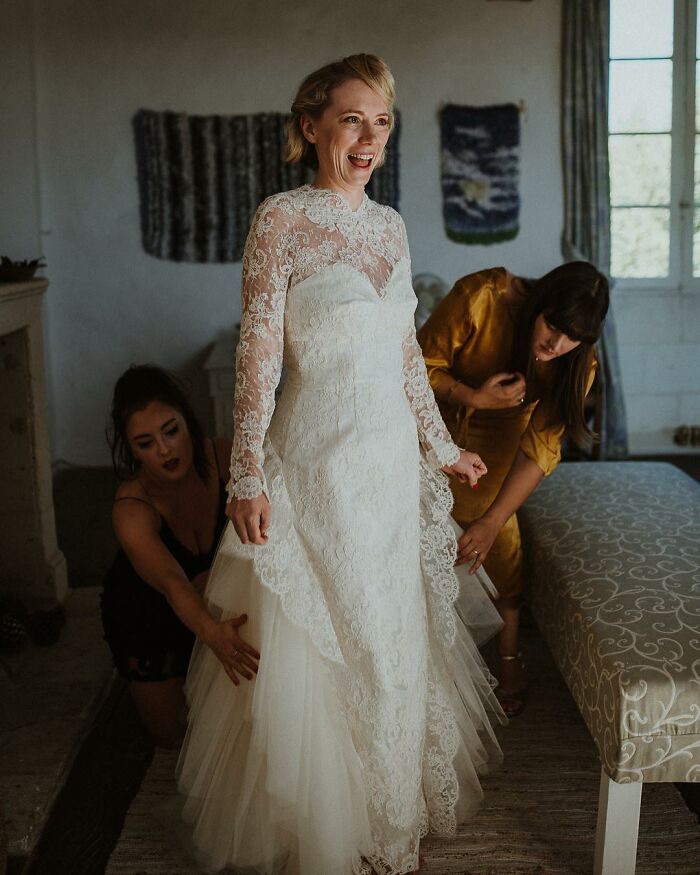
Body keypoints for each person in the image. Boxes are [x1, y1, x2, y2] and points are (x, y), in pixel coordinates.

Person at [177, 54, 504, 875]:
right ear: (311, 126)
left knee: (396, 638)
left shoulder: (390, 226)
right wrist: (246, 472)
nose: (368, 138)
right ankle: (346, 831)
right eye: (352, 119)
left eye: (381, 122)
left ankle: (389, 819)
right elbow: (258, 353)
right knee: (350, 643)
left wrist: (442, 446)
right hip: (319, 464)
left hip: (389, 469)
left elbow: (404, 353)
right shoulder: (281, 219)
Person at [417, 263, 609, 717]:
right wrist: (472, 397)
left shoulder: (578, 362)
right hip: (430, 438)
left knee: (501, 546)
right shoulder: (480, 297)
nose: (556, 345)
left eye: (572, 338)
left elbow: (540, 448)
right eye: (552, 327)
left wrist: (492, 520)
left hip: (499, 459)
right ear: (538, 302)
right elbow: (415, 368)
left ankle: (508, 658)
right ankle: (419, 660)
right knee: (415, 553)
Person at [101, 365, 259, 748]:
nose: (164, 449)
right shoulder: (132, 508)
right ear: (130, 449)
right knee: (174, 736)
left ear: (188, 420)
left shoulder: (224, 456)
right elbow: (173, 584)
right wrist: (212, 634)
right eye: (145, 443)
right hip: (149, 612)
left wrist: (218, 581)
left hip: (216, 594)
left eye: (171, 431)